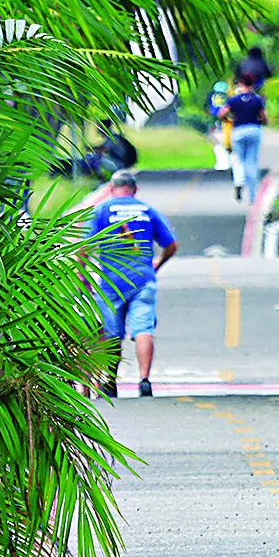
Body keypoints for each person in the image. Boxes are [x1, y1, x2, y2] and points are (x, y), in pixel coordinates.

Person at [89, 169, 178, 398]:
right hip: (143, 278)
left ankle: (109, 380)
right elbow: (171, 245)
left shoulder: (101, 211)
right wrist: (158, 263)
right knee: (143, 328)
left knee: (111, 333)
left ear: (111, 189)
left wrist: (83, 278)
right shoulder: (147, 211)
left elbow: (84, 247)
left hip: (111, 281)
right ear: (135, 189)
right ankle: (145, 379)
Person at [225, 74, 267, 203]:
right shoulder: (257, 100)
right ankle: (253, 197)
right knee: (251, 163)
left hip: (238, 131)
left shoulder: (234, 100)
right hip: (254, 130)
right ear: (252, 85)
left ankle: (238, 182)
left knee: (238, 160)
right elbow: (263, 117)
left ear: (241, 84)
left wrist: (228, 120)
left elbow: (222, 113)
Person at [206, 80, 232, 171]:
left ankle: (221, 163)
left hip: (217, 124)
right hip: (226, 123)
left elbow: (209, 111)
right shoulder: (229, 99)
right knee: (226, 145)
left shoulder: (212, 98)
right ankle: (226, 163)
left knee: (218, 145)